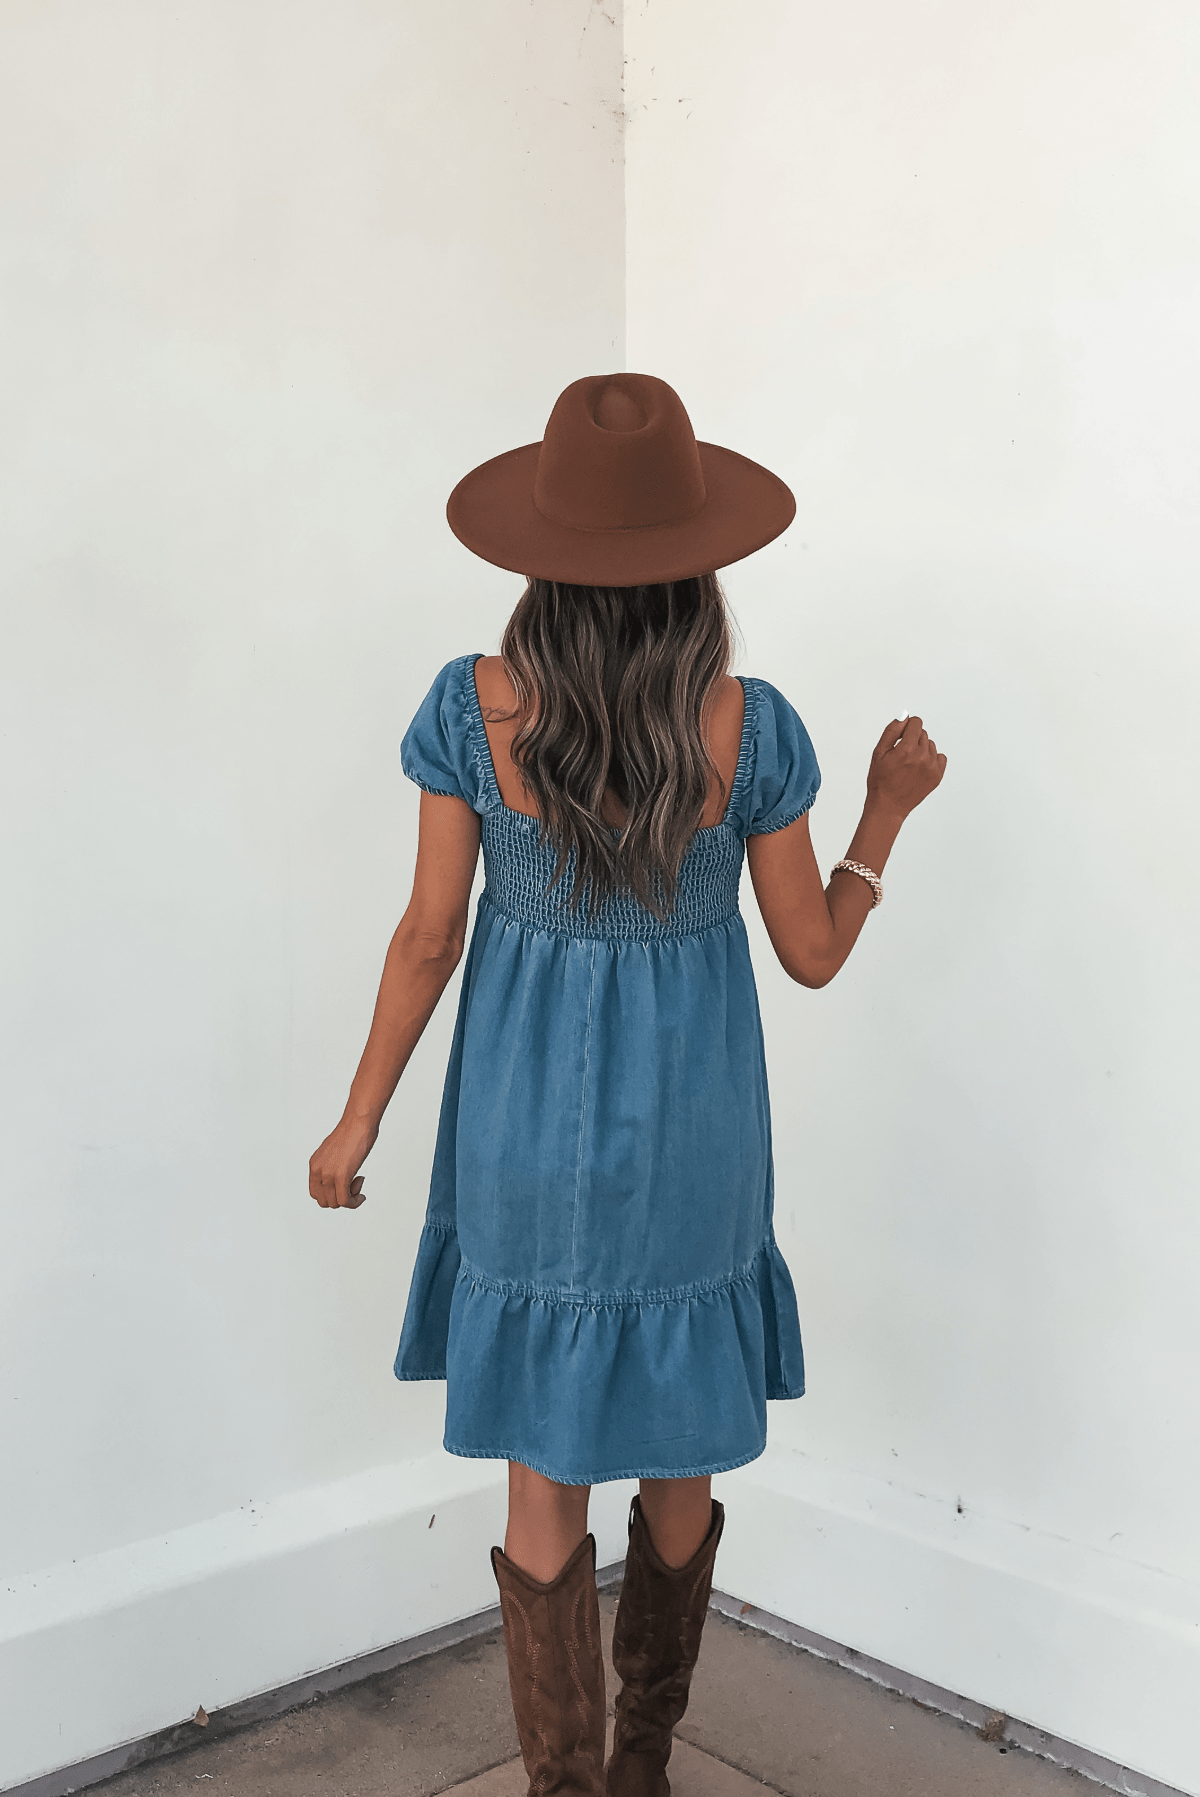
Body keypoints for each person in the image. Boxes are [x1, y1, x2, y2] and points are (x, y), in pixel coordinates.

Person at [309, 372, 946, 1796]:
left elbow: (427, 937)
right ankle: (643, 1766)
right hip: (698, 1143)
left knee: (543, 1468)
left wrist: (360, 1117)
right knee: (678, 1457)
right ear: (698, 559)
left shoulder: (473, 713)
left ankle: (567, 1788)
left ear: (542, 555)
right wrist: (884, 821)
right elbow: (812, 955)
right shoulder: (754, 726)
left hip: (519, 1131)